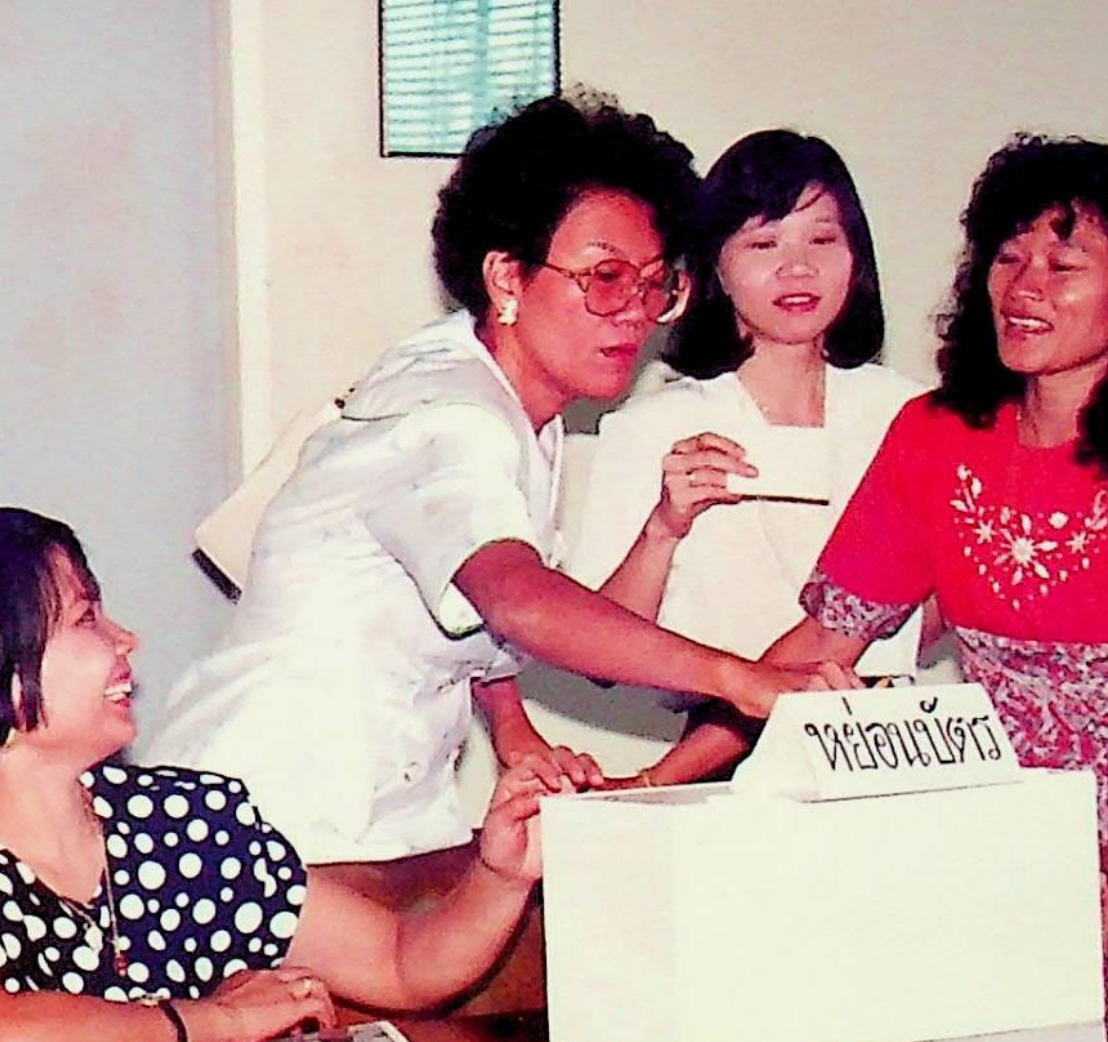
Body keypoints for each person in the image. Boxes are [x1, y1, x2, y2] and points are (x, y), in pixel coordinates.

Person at [142, 94, 843, 877]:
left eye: (655, 284)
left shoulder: (508, 397)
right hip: (262, 813)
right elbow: (517, 599)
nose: (634, 314)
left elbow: (475, 604)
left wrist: (513, 729)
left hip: (370, 809)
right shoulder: (450, 416)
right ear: (506, 276)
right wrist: (737, 677)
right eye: (605, 278)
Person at [0, 508, 561, 1042]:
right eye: (86, 618)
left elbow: (402, 963)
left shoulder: (184, 824)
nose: (125, 638)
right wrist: (218, 1020)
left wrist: (499, 875)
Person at [763, 134, 1108, 954]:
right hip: (985, 817)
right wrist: (658, 780)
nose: (1025, 287)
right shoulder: (933, 434)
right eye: (1007, 258)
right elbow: (824, 643)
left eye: (1063, 266)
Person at [567, 129, 928, 786]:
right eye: (764, 244)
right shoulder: (653, 426)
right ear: (716, 268)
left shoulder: (907, 413)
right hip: (719, 757)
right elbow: (598, 654)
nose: (797, 269)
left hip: (887, 745)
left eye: (822, 240)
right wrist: (664, 527)